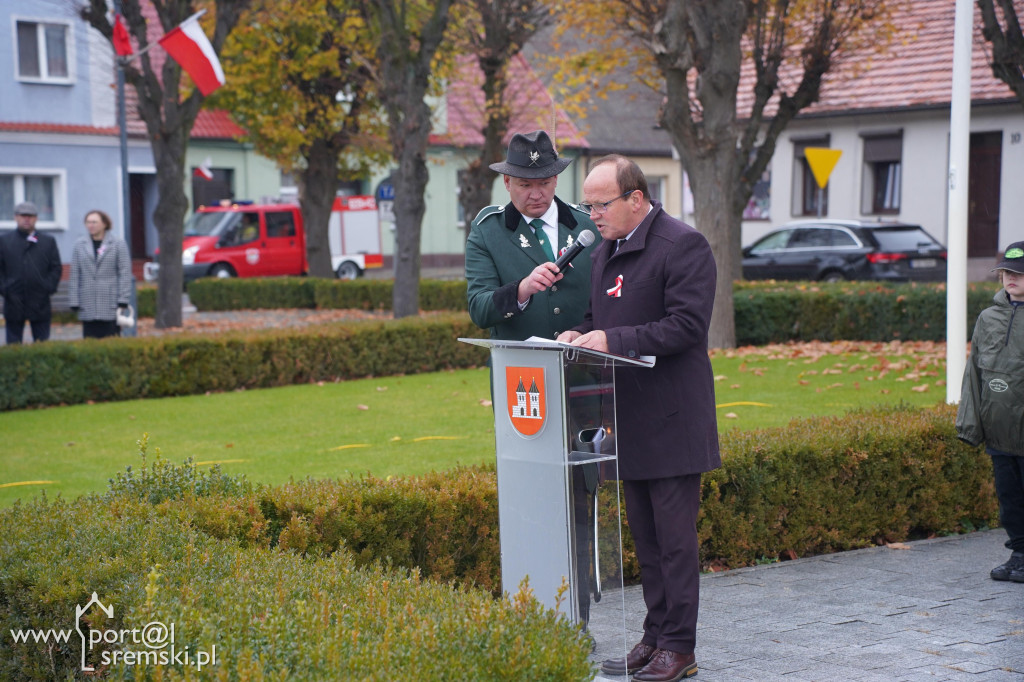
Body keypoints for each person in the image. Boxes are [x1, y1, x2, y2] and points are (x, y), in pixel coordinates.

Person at [557, 155, 719, 682]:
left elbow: (686, 327)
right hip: (626, 418)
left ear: (635, 199)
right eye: (587, 206)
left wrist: (612, 339)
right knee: (646, 542)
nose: (592, 216)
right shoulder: (606, 252)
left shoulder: (683, 245)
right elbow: (598, 319)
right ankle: (654, 636)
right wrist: (575, 336)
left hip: (672, 417)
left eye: (600, 205)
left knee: (674, 542)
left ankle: (680, 647)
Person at [465, 129, 600, 341]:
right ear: (507, 182)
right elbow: (479, 311)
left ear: (555, 179)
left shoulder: (589, 224)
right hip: (520, 369)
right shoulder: (487, 231)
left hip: (584, 366)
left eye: (544, 183)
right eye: (525, 185)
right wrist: (522, 289)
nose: (536, 195)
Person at [957, 241, 1024, 584]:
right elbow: (975, 373)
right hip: (999, 430)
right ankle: (1019, 553)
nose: (1010, 278)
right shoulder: (989, 317)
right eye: (1006, 272)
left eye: (1019, 273)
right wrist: (970, 422)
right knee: (1009, 498)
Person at [0, 201, 63, 344]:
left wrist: (48, 287)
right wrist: (6, 289)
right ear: (15, 217)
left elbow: (55, 267)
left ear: (36, 218)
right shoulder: (4, 241)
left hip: (40, 301)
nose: (26, 219)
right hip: (14, 301)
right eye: (23, 216)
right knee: (13, 347)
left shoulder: (47, 241)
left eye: (30, 216)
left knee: (42, 345)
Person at [68, 210, 132, 339]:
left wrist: (123, 299)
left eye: (94, 222)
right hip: (88, 302)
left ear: (104, 224)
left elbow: (124, 273)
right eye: (88, 222)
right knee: (89, 342)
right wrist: (74, 300)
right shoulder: (79, 245)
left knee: (111, 341)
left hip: (110, 301)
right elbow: (75, 274)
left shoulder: (117, 243)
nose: (91, 225)